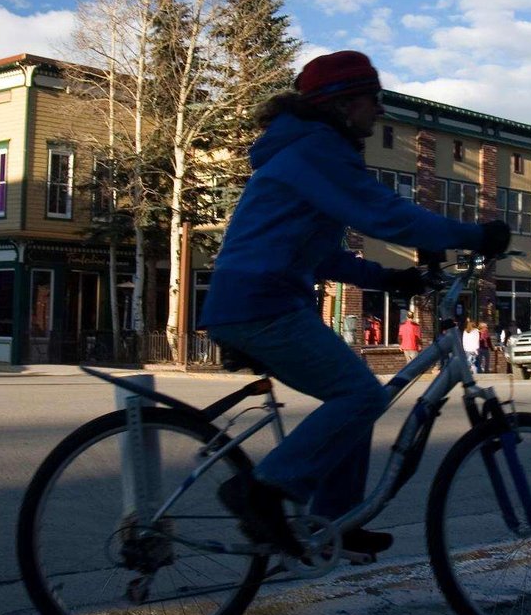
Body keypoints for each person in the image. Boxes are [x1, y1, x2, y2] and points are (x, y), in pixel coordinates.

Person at [200, 50, 510, 557]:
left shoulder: (306, 150)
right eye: (374, 98)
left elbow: (321, 255)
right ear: (344, 104)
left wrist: (388, 278)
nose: (380, 110)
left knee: (355, 399)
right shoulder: (316, 149)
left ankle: (334, 520)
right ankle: (261, 490)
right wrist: (475, 235)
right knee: (361, 397)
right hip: (261, 303)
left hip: (257, 300)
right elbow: (384, 214)